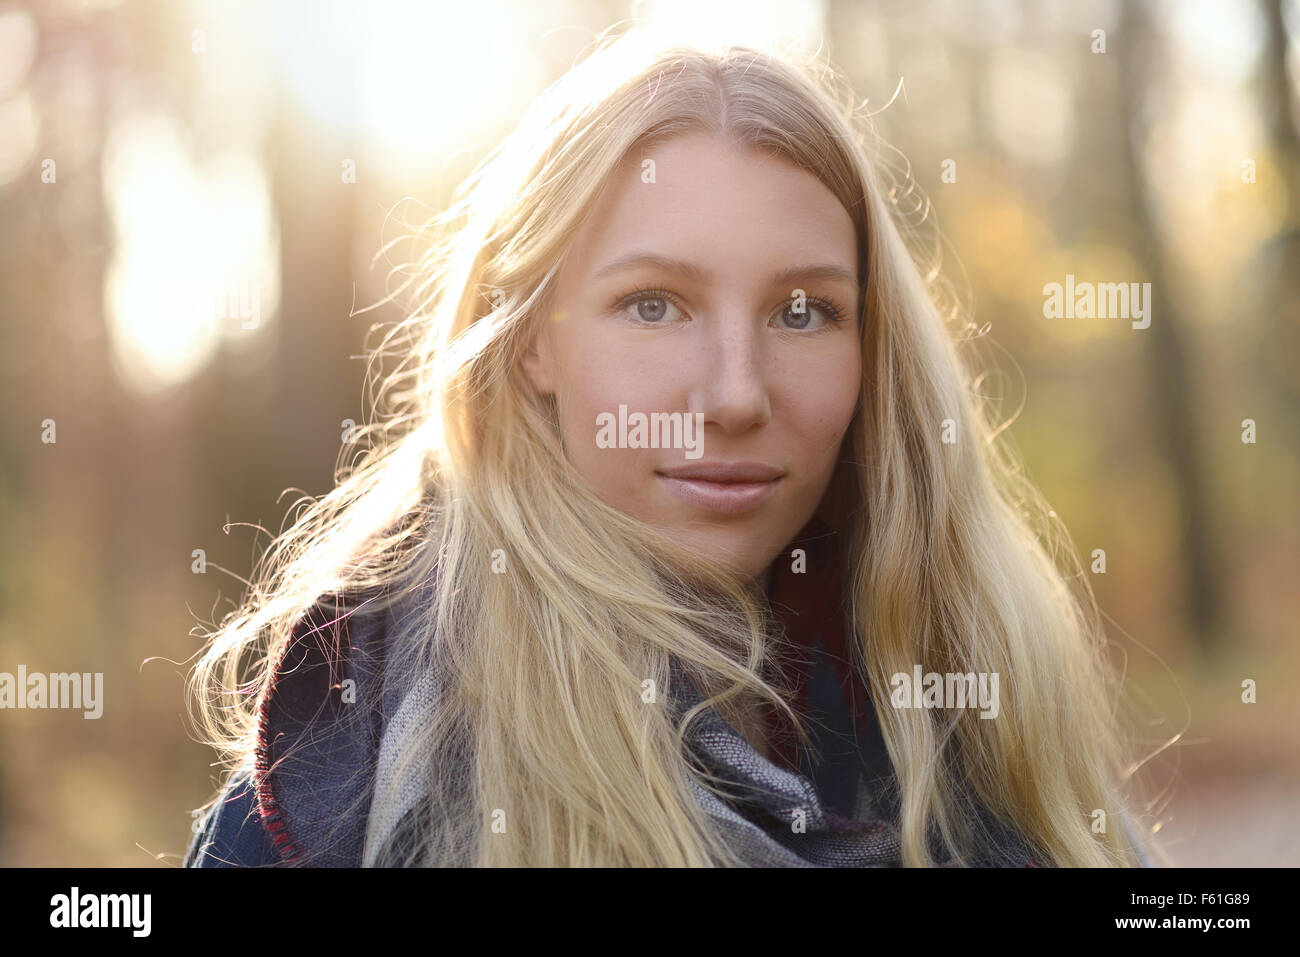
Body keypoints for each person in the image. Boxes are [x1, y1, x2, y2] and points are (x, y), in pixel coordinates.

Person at [184, 28, 1155, 868]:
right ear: (530, 341)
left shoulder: (984, 709)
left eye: (803, 311)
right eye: (654, 305)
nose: (735, 395)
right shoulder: (333, 784)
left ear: (875, 348)